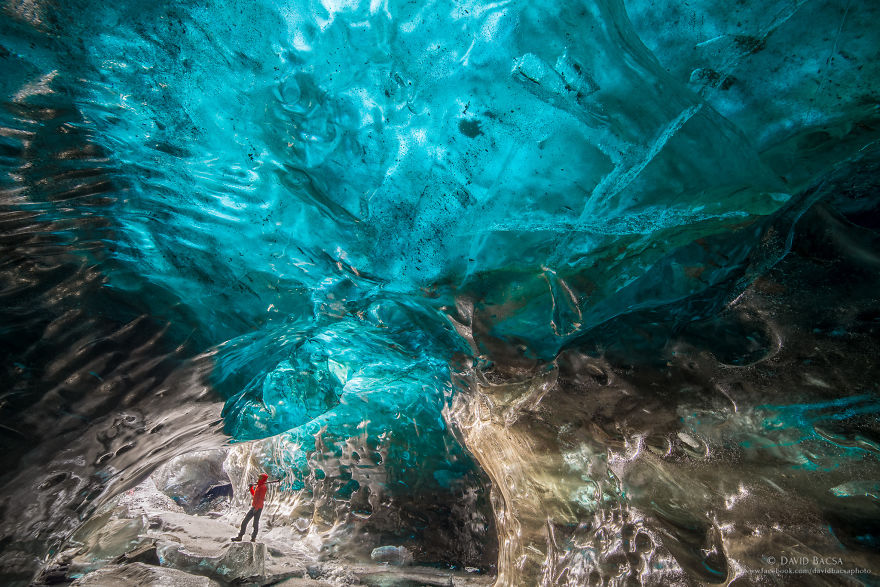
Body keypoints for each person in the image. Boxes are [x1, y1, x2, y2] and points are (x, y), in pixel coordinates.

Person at [232, 473, 269, 542]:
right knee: (245, 521)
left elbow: (260, 499)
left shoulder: (263, 488)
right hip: (254, 507)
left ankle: (253, 538)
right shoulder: (259, 486)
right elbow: (254, 495)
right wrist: (251, 488)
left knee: (255, 523)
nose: (259, 478)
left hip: (258, 508)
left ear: (263, 479)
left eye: (260, 477)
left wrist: (256, 508)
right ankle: (240, 536)